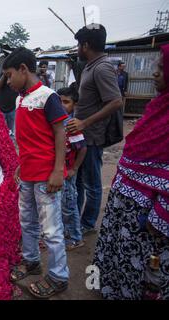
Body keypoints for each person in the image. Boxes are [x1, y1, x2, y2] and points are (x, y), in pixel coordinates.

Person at [93, 44, 169, 300]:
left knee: (143, 269)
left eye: (160, 68)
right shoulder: (159, 108)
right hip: (126, 209)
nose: (154, 74)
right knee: (120, 256)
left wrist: (160, 217)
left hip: (148, 219)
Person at [4, 47, 69, 299]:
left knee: (51, 229)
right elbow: (29, 138)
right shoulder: (21, 99)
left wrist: (57, 171)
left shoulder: (47, 96)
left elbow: (60, 133)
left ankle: (58, 276)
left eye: (10, 75)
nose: (8, 82)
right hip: (28, 173)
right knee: (27, 221)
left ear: (23, 69)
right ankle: (32, 261)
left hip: (46, 175)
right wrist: (21, 163)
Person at [67, 24, 123, 235]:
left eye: (79, 45)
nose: (78, 49)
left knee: (91, 183)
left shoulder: (102, 67)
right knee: (79, 181)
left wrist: (85, 122)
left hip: (92, 136)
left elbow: (116, 101)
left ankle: (88, 223)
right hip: (82, 136)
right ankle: (75, 220)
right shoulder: (91, 65)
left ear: (86, 45)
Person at [57, 85, 87, 250]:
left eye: (66, 102)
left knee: (69, 206)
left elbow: (82, 148)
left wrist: (74, 168)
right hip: (62, 171)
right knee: (64, 205)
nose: (62, 105)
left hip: (68, 172)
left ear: (74, 105)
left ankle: (75, 238)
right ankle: (67, 235)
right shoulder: (59, 122)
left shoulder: (70, 125)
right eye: (59, 101)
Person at [0, 72, 19, 136]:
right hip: (1, 107)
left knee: (10, 131)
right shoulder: (1, 75)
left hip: (12, 107)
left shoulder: (16, 76)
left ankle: (9, 143)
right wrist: (4, 75)